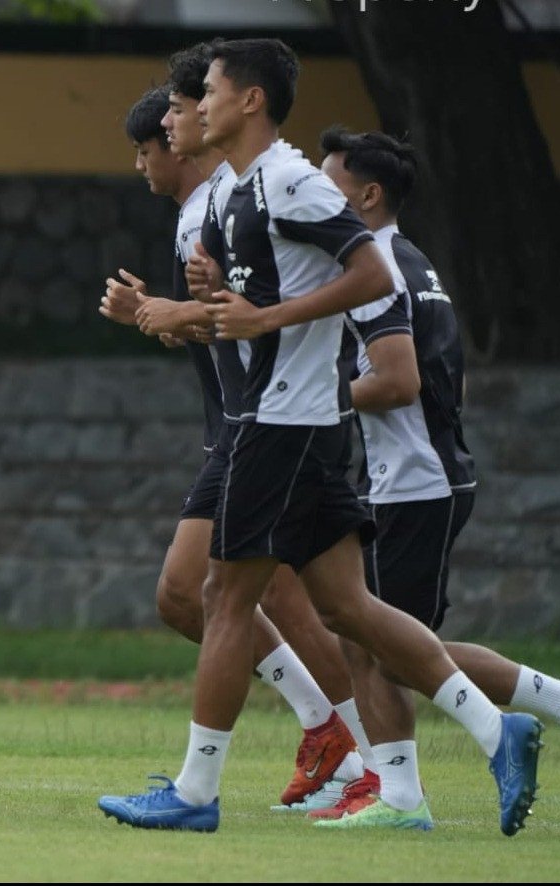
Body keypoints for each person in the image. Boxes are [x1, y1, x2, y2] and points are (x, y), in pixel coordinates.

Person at [98, 38, 542, 836]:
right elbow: (254, 307)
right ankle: (487, 731)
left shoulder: (291, 181)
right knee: (347, 607)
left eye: (210, 94)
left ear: (250, 102)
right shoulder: (245, 191)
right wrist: (201, 303)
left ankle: (196, 795)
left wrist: (251, 315)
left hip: (280, 423)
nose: (194, 108)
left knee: (223, 598)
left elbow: (371, 274)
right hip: (298, 422)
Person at [100, 70, 363, 811]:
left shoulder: (251, 193)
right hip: (251, 423)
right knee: (282, 598)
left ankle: (356, 750)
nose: (177, 130)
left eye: (182, 114)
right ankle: (355, 749)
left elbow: (244, 315)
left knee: (219, 595)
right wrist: (172, 313)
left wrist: (164, 311)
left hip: (270, 423)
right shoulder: (221, 203)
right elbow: (225, 317)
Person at [310, 127, 560, 830]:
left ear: (368, 194)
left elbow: (397, 381)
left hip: (412, 483)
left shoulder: (374, 268)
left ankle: (403, 802)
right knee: (374, 639)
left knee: (390, 648)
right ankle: (403, 796)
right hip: (426, 474)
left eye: (327, 186)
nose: (313, 201)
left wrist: (314, 399)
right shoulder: (414, 260)